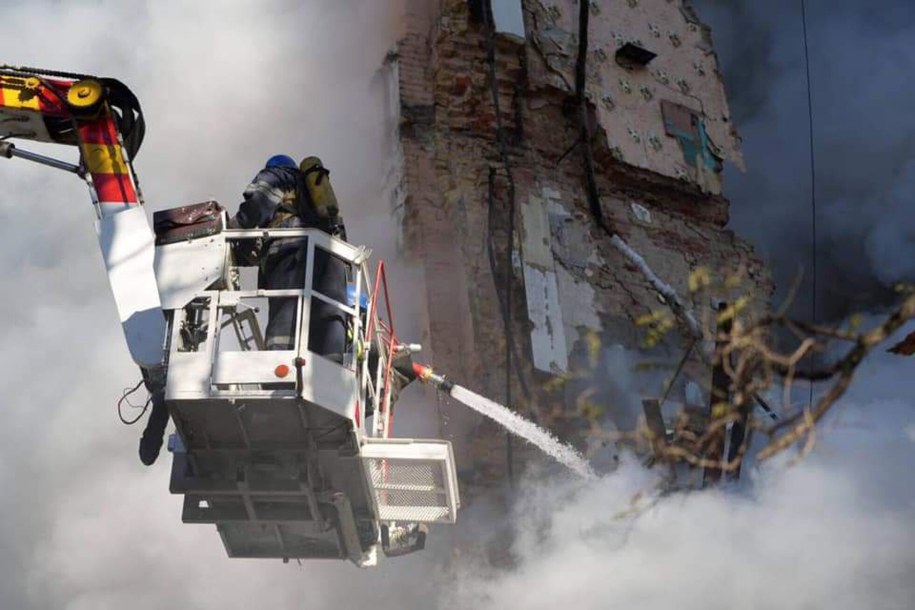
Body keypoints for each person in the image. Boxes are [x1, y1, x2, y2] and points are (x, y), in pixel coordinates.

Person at [231, 154, 348, 356]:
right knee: (327, 320)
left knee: (286, 320)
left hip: (291, 255)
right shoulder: (319, 200)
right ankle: (333, 368)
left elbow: (256, 207)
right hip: (332, 262)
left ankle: (278, 367)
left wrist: (231, 229)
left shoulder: (280, 175)